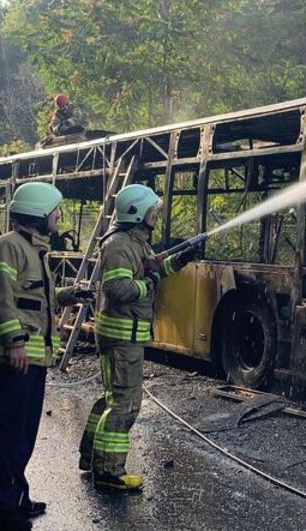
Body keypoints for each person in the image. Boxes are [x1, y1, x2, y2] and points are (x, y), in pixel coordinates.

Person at [0, 182, 92, 530]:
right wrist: (14, 341)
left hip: (33, 357)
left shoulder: (35, 251)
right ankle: (1, 509)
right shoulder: (7, 248)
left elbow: (34, 298)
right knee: (11, 432)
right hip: (16, 356)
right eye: (56, 211)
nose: (59, 217)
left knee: (25, 432)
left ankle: (17, 497)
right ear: (41, 214)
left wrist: (69, 294)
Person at [77, 184, 198, 491]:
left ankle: (91, 458)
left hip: (124, 334)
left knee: (112, 400)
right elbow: (122, 289)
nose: (155, 215)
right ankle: (109, 473)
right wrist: (151, 280)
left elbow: (149, 268)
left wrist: (180, 260)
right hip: (122, 337)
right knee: (125, 405)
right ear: (137, 214)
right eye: (151, 211)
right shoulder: (119, 245)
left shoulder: (133, 242)